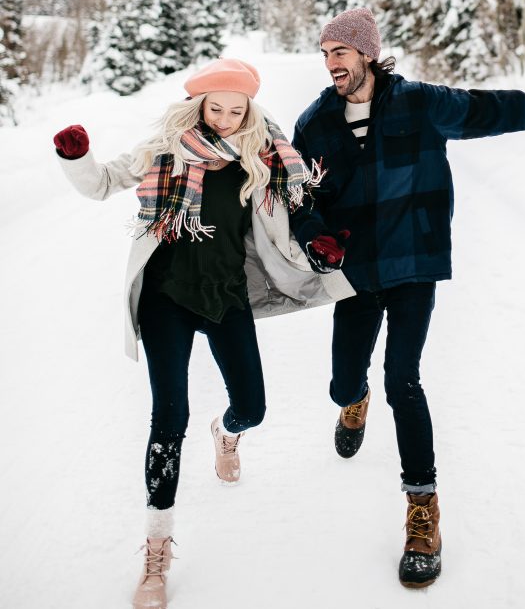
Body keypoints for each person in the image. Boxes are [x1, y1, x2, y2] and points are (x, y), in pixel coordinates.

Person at [289, 7, 525, 589]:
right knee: (344, 382)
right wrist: (312, 229)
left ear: (367, 53)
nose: (331, 64)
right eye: (323, 54)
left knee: (404, 378)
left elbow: (502, 109)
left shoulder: (420, 103)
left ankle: (422, 511)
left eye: (339, 52)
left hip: (414, 262)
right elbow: (296, 193)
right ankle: (354, 399)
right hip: (354, 274)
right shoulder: (316, 123)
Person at [53, 57, 353, 609]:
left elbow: (299, 204)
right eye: (216, 107)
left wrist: (318, 241)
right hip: (167, 300)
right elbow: (100, 184)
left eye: (236, 110)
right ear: (199, 105)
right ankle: (155, 553)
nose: (225, 118)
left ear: (249, 111)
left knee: (254, 407)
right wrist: (76, 155)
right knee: (169, 417)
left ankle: (228, 431)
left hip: (225, 299)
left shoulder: (262, 157)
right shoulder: (163, 150)